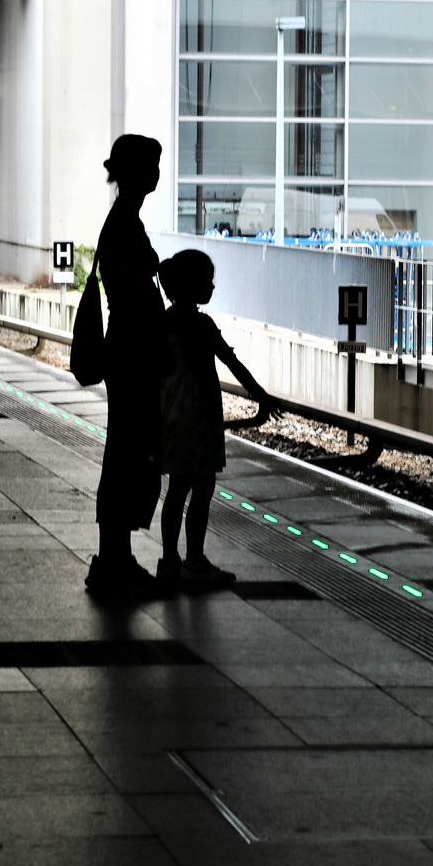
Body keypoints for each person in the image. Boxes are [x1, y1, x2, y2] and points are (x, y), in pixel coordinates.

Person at [156, 248, 280, 586]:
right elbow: (232, 363)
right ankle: (194, 558)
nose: (212, 287)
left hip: (173, 418)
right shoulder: (202, 324)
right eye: (207, 281)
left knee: (177, 488)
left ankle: (169, 559)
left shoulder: (164, 322)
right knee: (203, 487)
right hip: (201, 419)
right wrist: (261, 395)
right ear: (190, 285)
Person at [85, 134, 172, 595]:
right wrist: (157, 322)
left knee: (126, 452)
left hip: (129, 350)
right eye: (151, 165)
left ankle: (115, 556)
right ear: (133, 171)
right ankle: (114, 560)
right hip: (132, 352)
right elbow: (125, 296)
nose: (157, 173)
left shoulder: (122, 221)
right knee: (127, 455)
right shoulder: (124, 225)